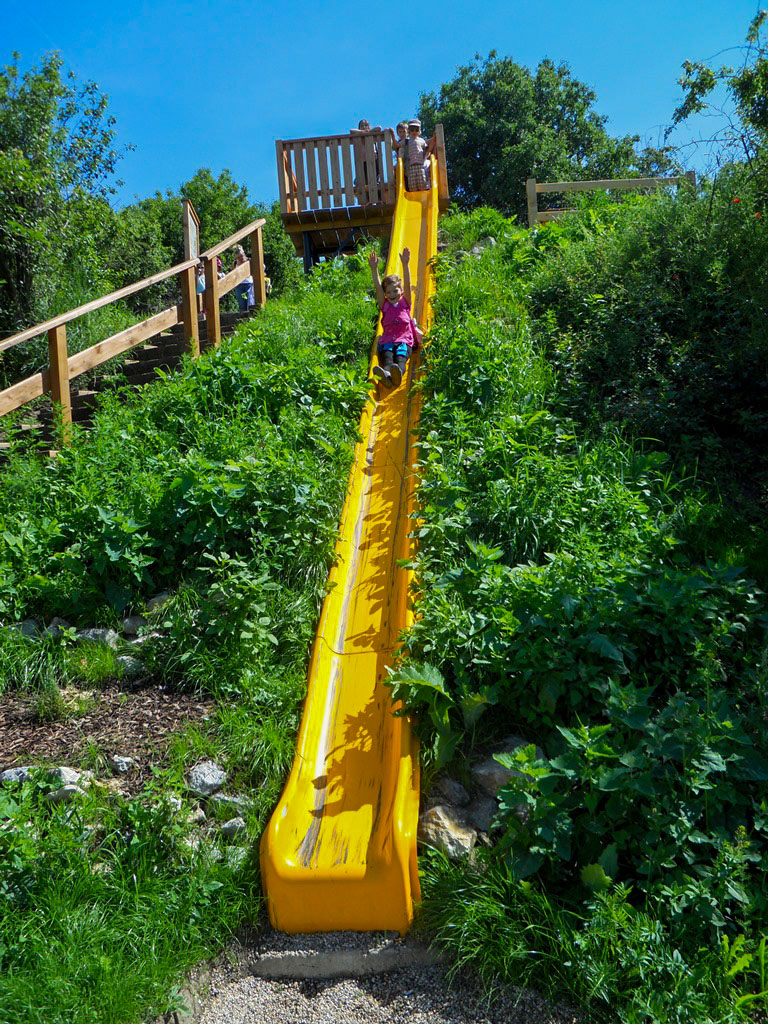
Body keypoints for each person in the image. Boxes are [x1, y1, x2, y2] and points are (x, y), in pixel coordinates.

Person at [368, 248, 419, 390]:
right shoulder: (385, 305)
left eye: (395, 291)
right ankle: (387, 375)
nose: (392, 294)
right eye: (388, 292)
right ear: (385, 294)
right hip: (388, 341)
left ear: (401, 291)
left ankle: (397, 375)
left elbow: (407, 283)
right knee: (388, 359)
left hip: (404, 341)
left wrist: (405, 265)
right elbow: (378, 288)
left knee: (400, 360)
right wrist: (374, 269)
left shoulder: (405, 302)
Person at [402, 119, 435, 192]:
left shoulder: (421, 140)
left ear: (419, 131)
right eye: (412, 130)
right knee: (412, 184)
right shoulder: (406, 141)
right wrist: (393, 137)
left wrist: (433, 138)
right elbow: (397, 145)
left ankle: (423, 193)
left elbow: (427, 150)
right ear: (409, 130)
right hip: (410, 165)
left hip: (420, 164)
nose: (414, 132)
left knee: (421, 181)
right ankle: (413, 195)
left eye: (416, 130)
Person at [233, 245, 255, 311]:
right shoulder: (235, 263)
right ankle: (243, 316)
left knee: (250, 302)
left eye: (241, 256)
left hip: (248, 284)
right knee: (242, 304)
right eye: (238, 257)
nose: (240, 258)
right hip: (239, 285)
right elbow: (233, 274)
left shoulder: (249, 261)